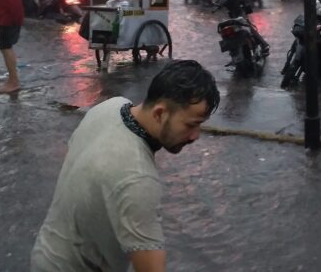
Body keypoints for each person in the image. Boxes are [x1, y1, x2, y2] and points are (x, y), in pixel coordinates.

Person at [31, 60, 220, 272]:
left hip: (46, 254)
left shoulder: (109, 107)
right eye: (190, 125)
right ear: (159, 113)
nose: (196, 136)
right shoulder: (137, 179)